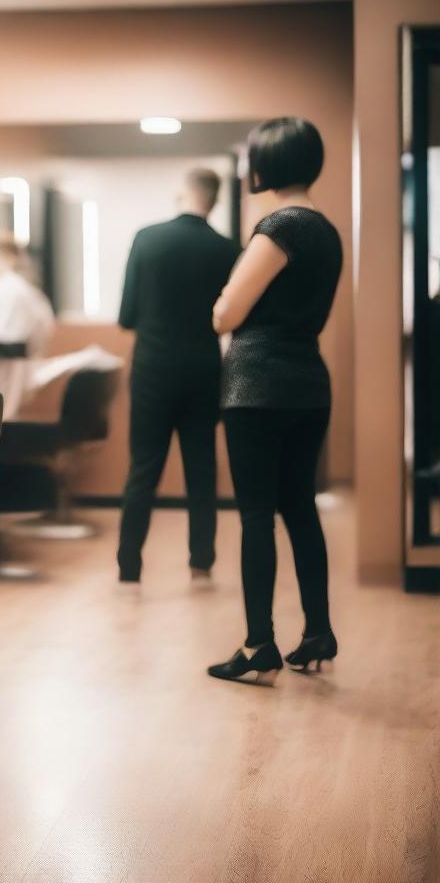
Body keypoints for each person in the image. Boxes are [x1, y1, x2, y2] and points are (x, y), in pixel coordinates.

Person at [207, 117, 342, 686]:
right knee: (300, 509)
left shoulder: (278, 226)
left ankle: (258, 642)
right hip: (309, 383)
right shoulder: (327, 230)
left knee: (257, 515)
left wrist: (222, 304)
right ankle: (318, 631)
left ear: (268, 165)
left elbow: (226, 313)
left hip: (256, 386)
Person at [117, 169, 240, 584]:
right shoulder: (227, 249)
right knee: (201, 467)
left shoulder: (147, 238)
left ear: (181, 193)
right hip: (204, 369)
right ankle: (201, 561)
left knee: (143, 469)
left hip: (152, 368)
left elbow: (127, 315)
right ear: (215, 200)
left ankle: (129, 567)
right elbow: (232, 320)